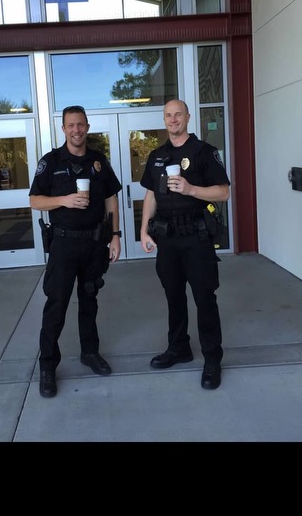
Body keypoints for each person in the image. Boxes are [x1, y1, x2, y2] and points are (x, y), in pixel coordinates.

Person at [29, 105, 122, 398]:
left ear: (87, 126)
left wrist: (116, 236)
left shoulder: (98, 161)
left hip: (94, 244)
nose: (76, 130)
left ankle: (90, 353)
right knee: (56, 305)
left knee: (89, 300)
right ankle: (47, 366)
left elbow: (110, 199)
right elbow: (34, 201)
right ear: (63, 128)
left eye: (80, 124)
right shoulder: (51, 161)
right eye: (71, 125)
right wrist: (64, 200)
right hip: (64, 245)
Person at [140, 99, 230, 389]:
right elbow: (151, 196)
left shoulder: (204, 152)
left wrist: (191, 189)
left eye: (178, 114)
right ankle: (179, 348)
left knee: (204, 298)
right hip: (168, 240)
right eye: (168, 115)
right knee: (173, 297)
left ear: (188, 117)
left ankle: (212, 359)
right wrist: (144, 231)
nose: (173, 119)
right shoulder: (156, 155)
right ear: (164, 119)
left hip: (196, 237)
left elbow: (224, 192)